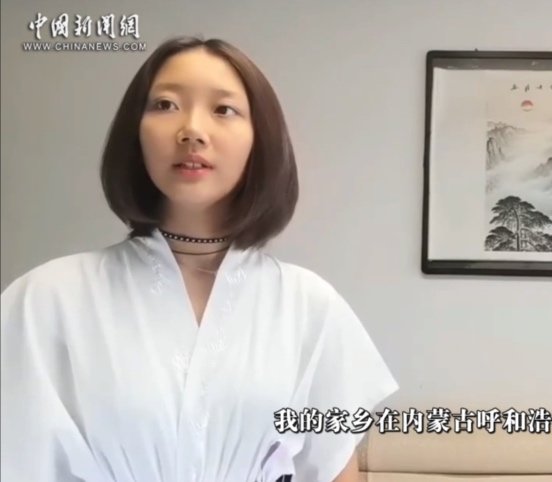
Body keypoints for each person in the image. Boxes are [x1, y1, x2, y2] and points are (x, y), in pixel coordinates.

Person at [0, 35, 399, 482]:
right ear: (135, 132)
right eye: (165, 105)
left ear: (260, 139)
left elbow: (333, 469)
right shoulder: (45, 300)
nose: (191, 130)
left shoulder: (309, 306)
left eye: (223, 109)